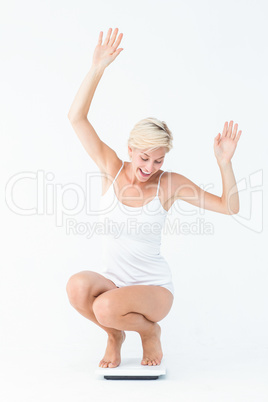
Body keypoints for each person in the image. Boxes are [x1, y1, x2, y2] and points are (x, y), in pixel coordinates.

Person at [66, 28, 242, 369]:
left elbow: (229, 207)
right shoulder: (111, 168)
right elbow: (76, 118)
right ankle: (114, 334)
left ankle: (149, 331)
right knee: (77, 287)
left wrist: (224, 163)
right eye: (144, 157)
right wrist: (97, 68)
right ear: (130, 149)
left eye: (158, 159)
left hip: (154, 289)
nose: (150, 167)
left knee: (105, 307)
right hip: (114, 281)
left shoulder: (169, 184)